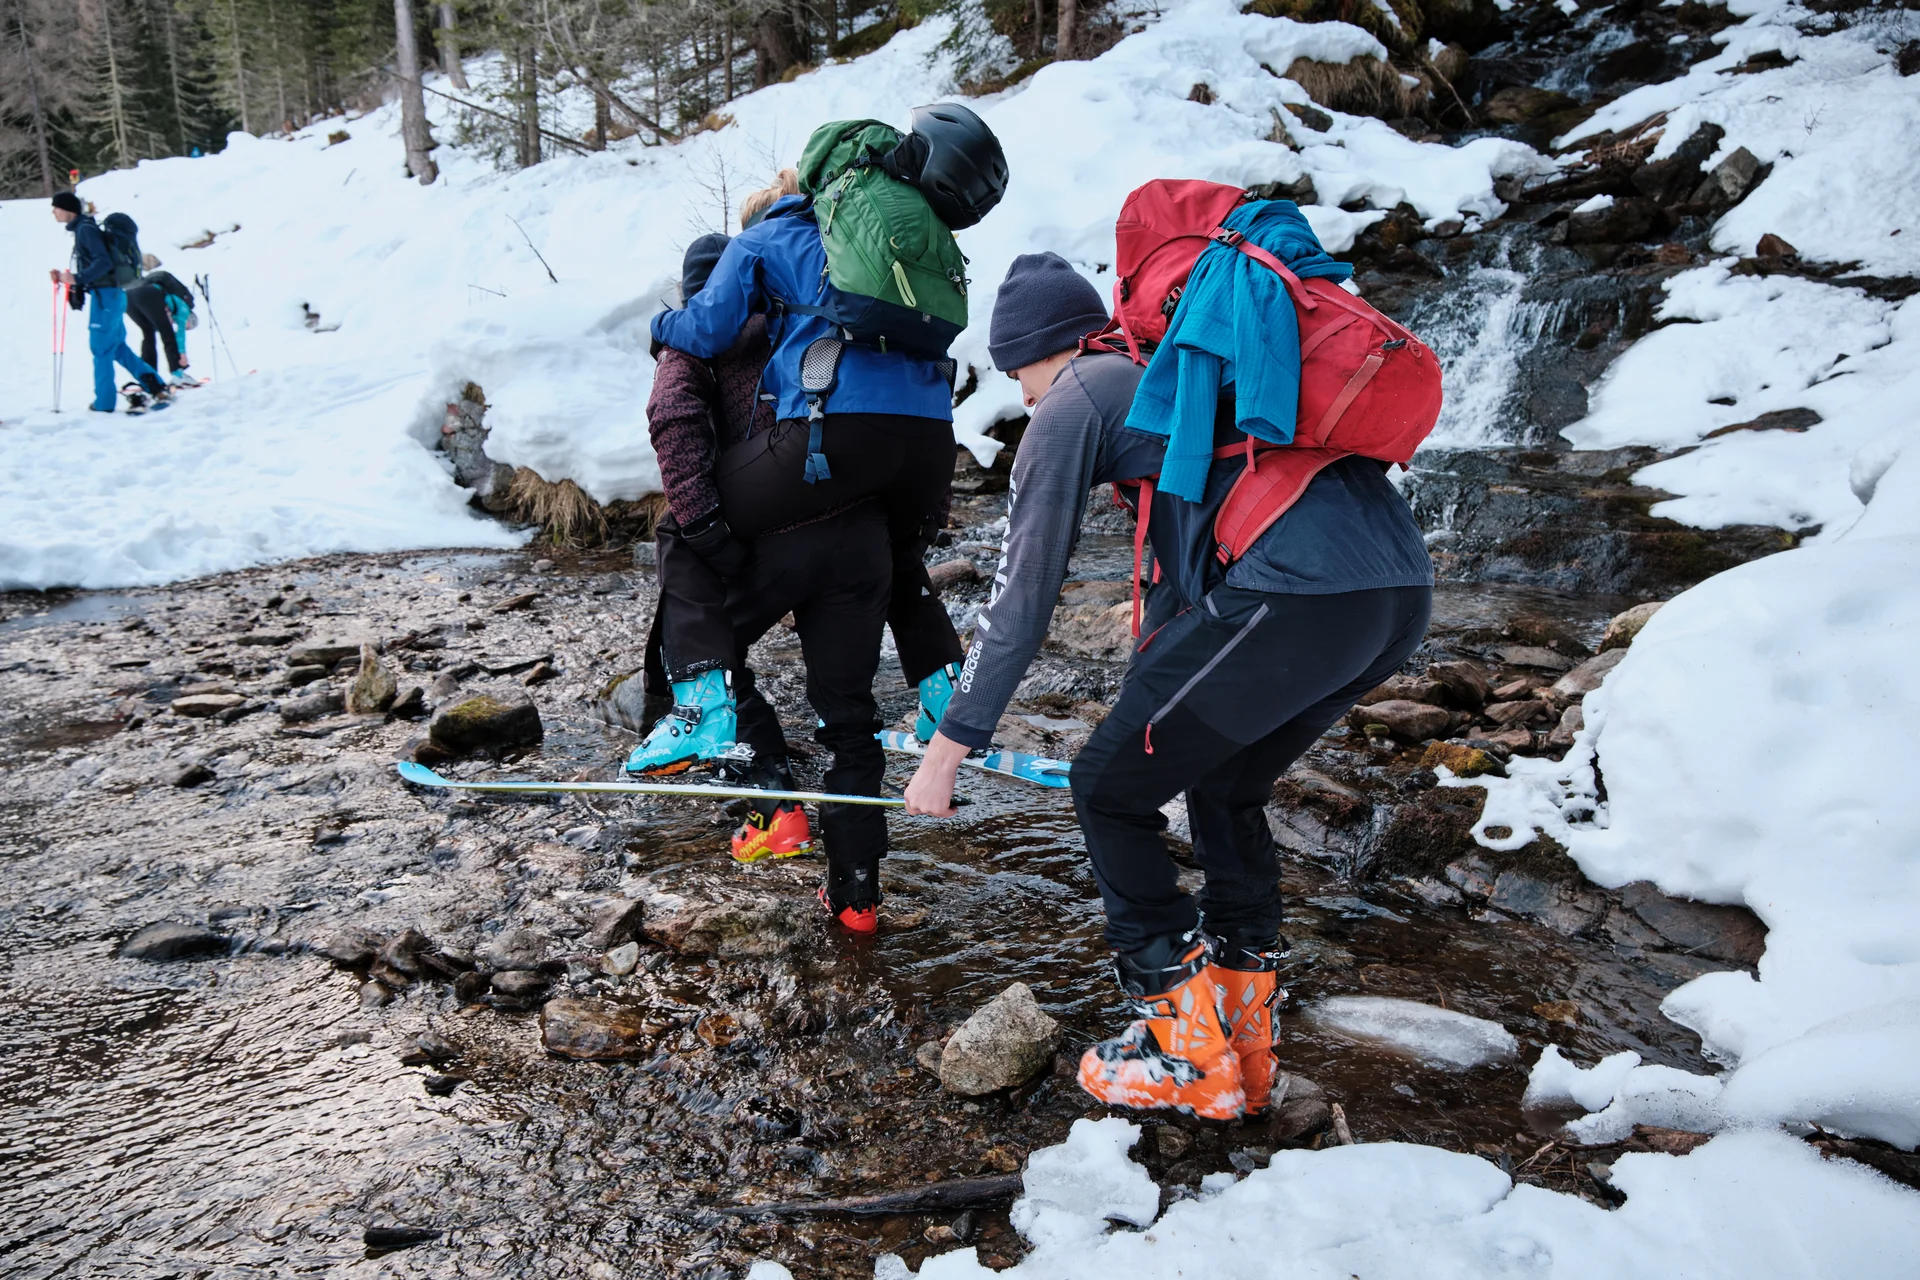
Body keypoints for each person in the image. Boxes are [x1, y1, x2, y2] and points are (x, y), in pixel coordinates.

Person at [903, 245, 1435, 1120]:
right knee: (1226, 788)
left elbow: (1021, 596)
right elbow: (1188, 597)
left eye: (1018, 373)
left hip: (1299, 593)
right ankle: (1244, 1042)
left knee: (1106, 789)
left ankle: (1184, 1052)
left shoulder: (1077, 398)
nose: (1023, 396)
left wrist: (947, 751)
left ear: (1045, 350)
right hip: (1394, 594)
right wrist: (1142, 716)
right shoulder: (1171, 378)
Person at [634, 184, 966, 781]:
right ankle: (861, 856)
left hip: (771, 539)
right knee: (849, 712)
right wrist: (917, 526)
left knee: (701, 620)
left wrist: (710, 535)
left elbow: (675, 423)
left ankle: (761, 784)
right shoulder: (819, 324)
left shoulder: (695, 342)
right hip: (862, 533)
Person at [49, 193, 169, 413]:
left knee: (101, 349)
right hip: (112, 295)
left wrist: (76, 278)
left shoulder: (85, 230)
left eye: (56, 207)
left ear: (68, 209)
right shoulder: (85, 228)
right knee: (117, 348)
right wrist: (74, 279)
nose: (53, 212)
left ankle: (103, 403)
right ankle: (155, 384)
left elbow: (102, 262)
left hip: (105, 297)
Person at [126, 261, 197, 383]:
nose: (185, 327)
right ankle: (178, 374)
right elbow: (179, 336)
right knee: (168, 335)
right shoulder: (184, 309)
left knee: (148, 334)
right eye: (190, 325)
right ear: (191, 317)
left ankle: (148, 377)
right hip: (149, 294)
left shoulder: (170, 307)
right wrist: (182, 355)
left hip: (129, 297)